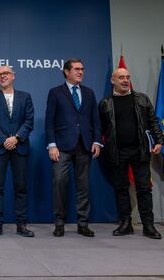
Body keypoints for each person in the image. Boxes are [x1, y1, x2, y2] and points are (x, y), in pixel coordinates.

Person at [99, 67, 163, 239]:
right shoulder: (105, 103)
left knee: (144, 189)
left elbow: (153, 121)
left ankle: (148, 226)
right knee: (121, 189)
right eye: (121, 77)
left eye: (127, 77)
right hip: (117, 152)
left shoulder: (142, 99)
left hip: (140, 151)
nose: (125, 80)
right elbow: (100, 129)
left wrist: (159, 141)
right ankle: (125, 223)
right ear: (113, 80)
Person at [45, 58, 101, 237]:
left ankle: (83, 223)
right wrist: (52, 145)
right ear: (66, 71)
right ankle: (59, 223)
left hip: (85, 145)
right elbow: (49, 121)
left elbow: (95, 120)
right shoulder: (55, 92)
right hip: (61, 146)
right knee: (60, 183)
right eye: (76, 69)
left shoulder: (89, 92)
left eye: (82, 69)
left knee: (83, 186)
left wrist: (97, 141)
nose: (80, 72)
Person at [0, 65, 35, 237]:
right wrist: (4, 140)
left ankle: (21, 225)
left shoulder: (25, 96)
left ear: (13, 76)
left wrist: (17, 138)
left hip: (20, 147)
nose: (2, 76)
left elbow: (29, 121)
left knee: (20, 188)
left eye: (5, 73)